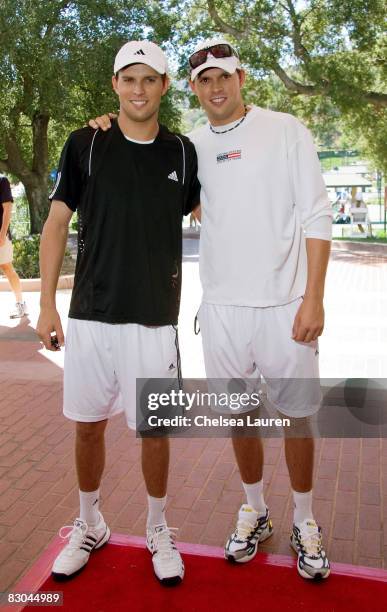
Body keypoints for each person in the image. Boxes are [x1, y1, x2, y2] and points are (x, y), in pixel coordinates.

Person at [90, 38, 332, 581]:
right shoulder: (189, 146)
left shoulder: (286, 130)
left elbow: (317, 217)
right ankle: (255, 509)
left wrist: (315, 297)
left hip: (286, 306)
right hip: (221, 310)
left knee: (297, 416)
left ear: (240, 77)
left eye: (223, 76)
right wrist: (106, 125)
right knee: (240, 417)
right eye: (204, 80)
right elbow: (142, 158)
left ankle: (305, 518)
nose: (215, 87)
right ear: (193, 88)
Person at [37, 40, 200, 586]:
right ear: (115, 86)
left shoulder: (181, 153)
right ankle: (89, 523)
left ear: (164, 86)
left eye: (148, 79)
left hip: (154, 320)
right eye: (128, 80)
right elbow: (56, 224)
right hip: (89, 315)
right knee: (87, 427)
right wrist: (46, 307)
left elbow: (214, 213)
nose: (137, 89)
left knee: (153, 432)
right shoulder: (85, 144)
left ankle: (157, 528)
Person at [0, 176, 27, 318]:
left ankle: (20, 304)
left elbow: (8, 208)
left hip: (0, 235)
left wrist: (2, 234)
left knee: (7, 267)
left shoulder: (2, 181)